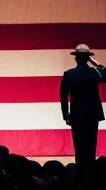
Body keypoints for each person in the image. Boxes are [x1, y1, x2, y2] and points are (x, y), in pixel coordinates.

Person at [60, 44, 106, 183]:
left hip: (77, 116)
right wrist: (95, 63)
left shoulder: (69, 74)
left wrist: (65, 114)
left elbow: (63, 95)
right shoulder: (95, 72)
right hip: (92, 116)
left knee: (79, 147)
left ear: (76, 59)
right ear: (87, 58)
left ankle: (80, 176)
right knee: (91, 146)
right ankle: (90, 176)